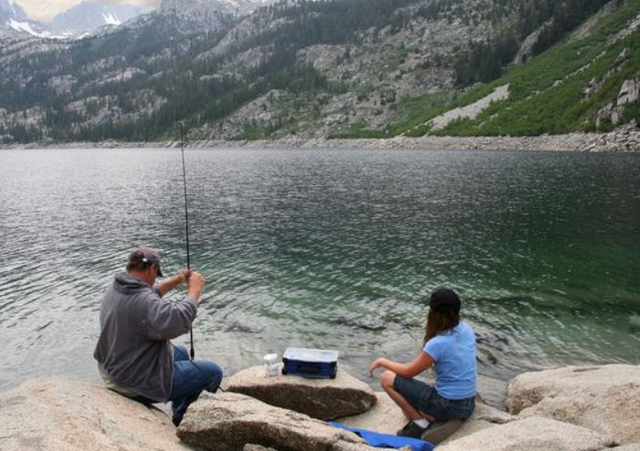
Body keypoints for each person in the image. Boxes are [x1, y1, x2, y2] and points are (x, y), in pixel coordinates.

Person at [94, 248, 222, 427]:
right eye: (156, 274)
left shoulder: (118, 287)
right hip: (133, 383)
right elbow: (179, 320)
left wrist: (177, 280)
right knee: (213, 372)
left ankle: (178, 406)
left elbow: (151, 293)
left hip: (113, 370)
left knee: (182, 352)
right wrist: (194, 291)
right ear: (152, 268)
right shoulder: (143, 300)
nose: (156, 279)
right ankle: (181, 416)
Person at [369, 288, 476, 441]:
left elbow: (408, 372)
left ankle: (420, 424)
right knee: (421, 389)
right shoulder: (467, 329)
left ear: (434, 313)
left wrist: (382, 361)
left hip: (448, 405)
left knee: (387, 378)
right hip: (468, 404)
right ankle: (435, 417)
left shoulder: (438, 343)